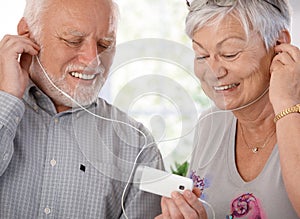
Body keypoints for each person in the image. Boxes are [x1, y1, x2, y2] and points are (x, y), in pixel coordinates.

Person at [0, 0, 164, 218]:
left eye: (105, 44)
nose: (92, 60)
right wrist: (7, 99)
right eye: (73, 41)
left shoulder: (138, 147)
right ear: (26, 35)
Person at [156, 0, 300, 218]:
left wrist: (286, 103)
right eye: (202, 55)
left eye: (230, 53)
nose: (213, 71)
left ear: (279, 43)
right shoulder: (211, 124)